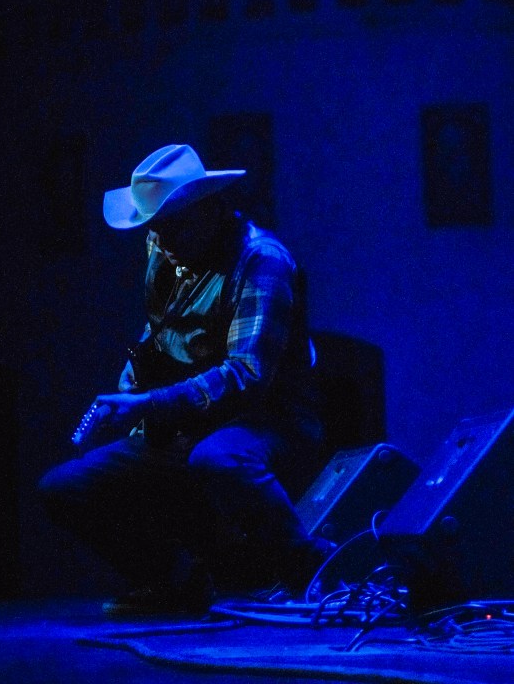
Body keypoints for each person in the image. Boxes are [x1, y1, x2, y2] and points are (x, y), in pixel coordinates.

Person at [38, 143, 330, 616]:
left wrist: (150, 404)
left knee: (219, 457)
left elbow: (247, 376)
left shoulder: (262, 260)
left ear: (210, 208)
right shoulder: (163, 247)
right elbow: (164, 326)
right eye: (155, 229)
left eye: (174, 227)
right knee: (63, 487)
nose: (162, 241)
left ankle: (313, 569)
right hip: (189, 424)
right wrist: (133, 388)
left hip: (271, 421)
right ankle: (170, 581)